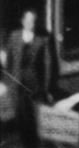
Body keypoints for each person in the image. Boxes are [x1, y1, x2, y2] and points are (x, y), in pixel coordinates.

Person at [5, 9, 60, 148]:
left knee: (39, 122)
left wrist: (47, 89)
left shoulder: (43, 39)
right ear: (23, 21)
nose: (32, 24)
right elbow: (9, 62)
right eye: (29, 20)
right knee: (22, 121)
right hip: (17, 87)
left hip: (36, 88)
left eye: (34, 21)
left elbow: (49, 66)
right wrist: (9, 83)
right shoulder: (14, 36)